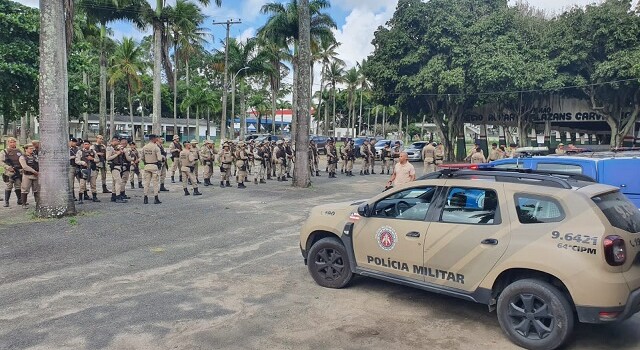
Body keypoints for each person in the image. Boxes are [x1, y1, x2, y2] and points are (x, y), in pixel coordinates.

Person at [1, 137, 24, 207]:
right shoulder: (4, 151)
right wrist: (7, 167)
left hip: (18, 171)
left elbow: (23, 159)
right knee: (9, 186)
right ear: (8, 143)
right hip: (9, 172)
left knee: (18, 186)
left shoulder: (19, 151)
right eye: (11, 142)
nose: (12, 143)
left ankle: (19, 200)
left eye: (14, 142)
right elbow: (1, 161)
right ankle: (6, 202)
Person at [141, 134, 162, 204]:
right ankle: (156, 198)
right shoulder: (156, 147)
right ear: (154, 139)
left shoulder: (144, 147)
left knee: (146, 183)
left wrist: (146, 161)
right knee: (155, 183)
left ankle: (145, 197)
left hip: (147, 166)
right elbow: (159, 158)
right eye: (156, 138)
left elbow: (142, 158)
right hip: (154, 166)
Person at [106, 137, 128, 203]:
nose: (119, 142)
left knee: (114, 182)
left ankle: (114, 195)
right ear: (114, 141)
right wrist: (117, 154)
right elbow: (108, 158)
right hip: (114, 166)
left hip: (118, 166)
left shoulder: (114, 148)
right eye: (118, 141)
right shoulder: (110, 148)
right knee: (118, 181)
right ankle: (118, 196)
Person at [18, 143, 39, 209]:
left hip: (36, 175)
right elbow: (25, 167)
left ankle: (38, 203)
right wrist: (34, 171)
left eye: (32, 148)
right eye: (30, 148)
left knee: (36, 190)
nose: (32, 150)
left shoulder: (35, 156)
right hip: (27, 175)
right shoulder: (22, 157)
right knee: (25, 189)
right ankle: (24, 203)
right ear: (26, 149)